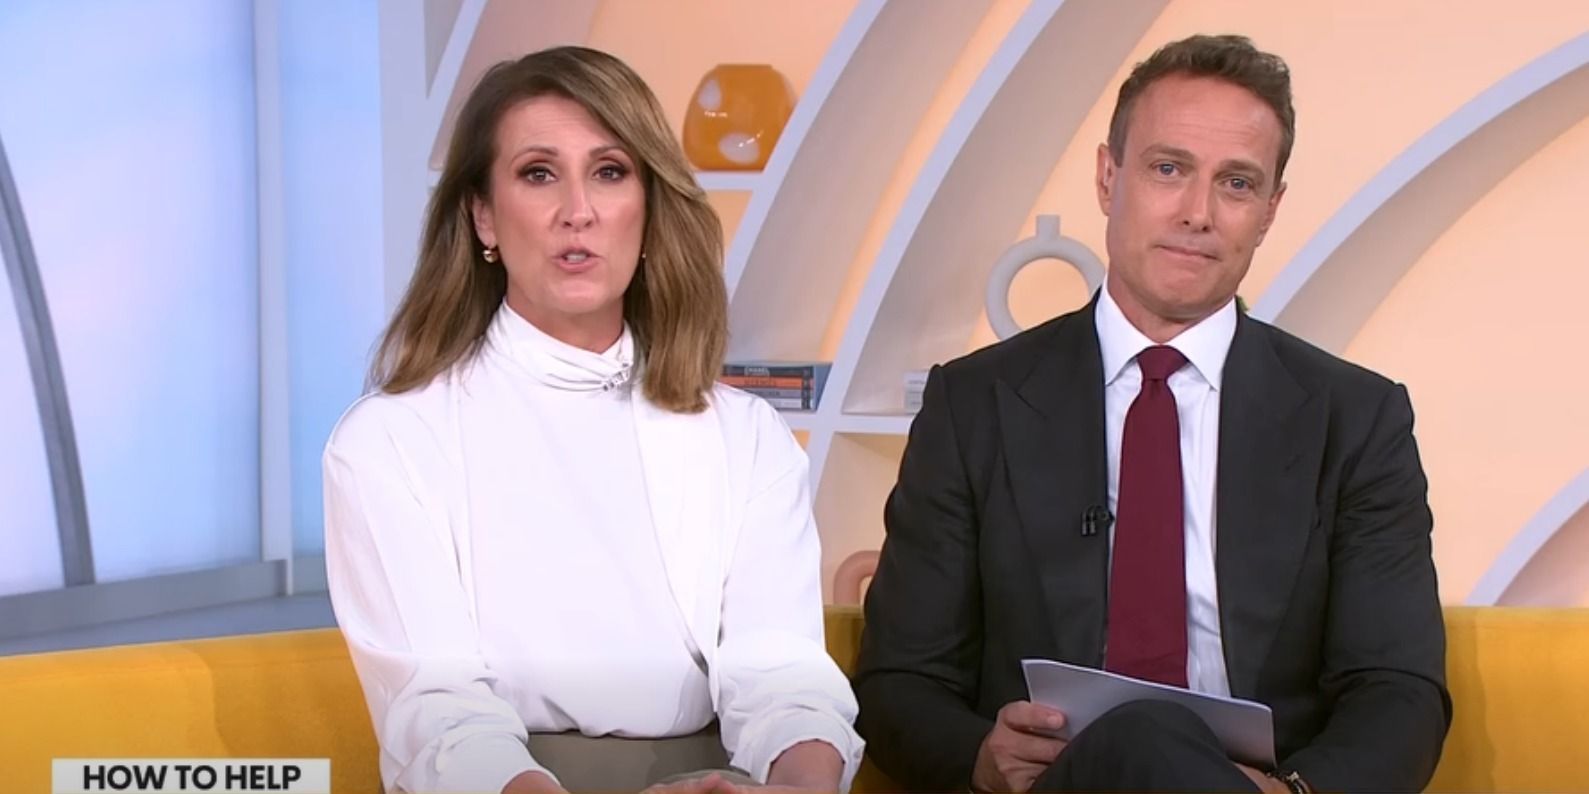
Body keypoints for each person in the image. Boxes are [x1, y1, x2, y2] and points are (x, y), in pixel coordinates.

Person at [853, 34, 1450, 794]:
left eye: (1236, 183)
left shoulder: (1356, 419)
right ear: (1108, 178)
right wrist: (980, 756)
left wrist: (1293, 792)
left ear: (1269, 211)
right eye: (1168, 169)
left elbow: (1397, 689)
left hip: (1261, 783)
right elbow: (899, 679)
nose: (1198, 213)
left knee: (1151, 742)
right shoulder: (974, 405)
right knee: (1135, 736)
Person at [323, 46, 862, 794]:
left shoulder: (745, 436)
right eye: (538, 174)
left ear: (648, 206)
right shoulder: (390, 441)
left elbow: (783, 678)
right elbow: (438, 717)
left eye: (609, 172)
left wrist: (794, 791)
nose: (577, 211)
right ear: (483, 215)